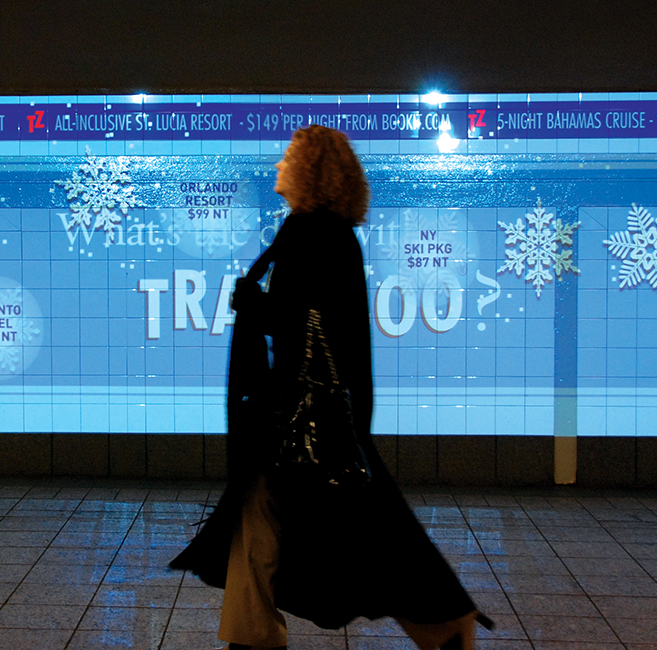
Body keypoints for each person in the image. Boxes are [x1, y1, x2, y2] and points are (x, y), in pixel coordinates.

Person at [170, 124, 492, 650]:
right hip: (311, 413)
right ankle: (435, 625)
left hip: (299, 416)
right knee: (288, 519)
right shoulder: (333, 235)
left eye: (288, 158)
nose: (279, 166)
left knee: (350, 529)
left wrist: (253, 305)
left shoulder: (311, 234)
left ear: (309, 169)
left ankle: (441, 624)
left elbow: (301, 321)